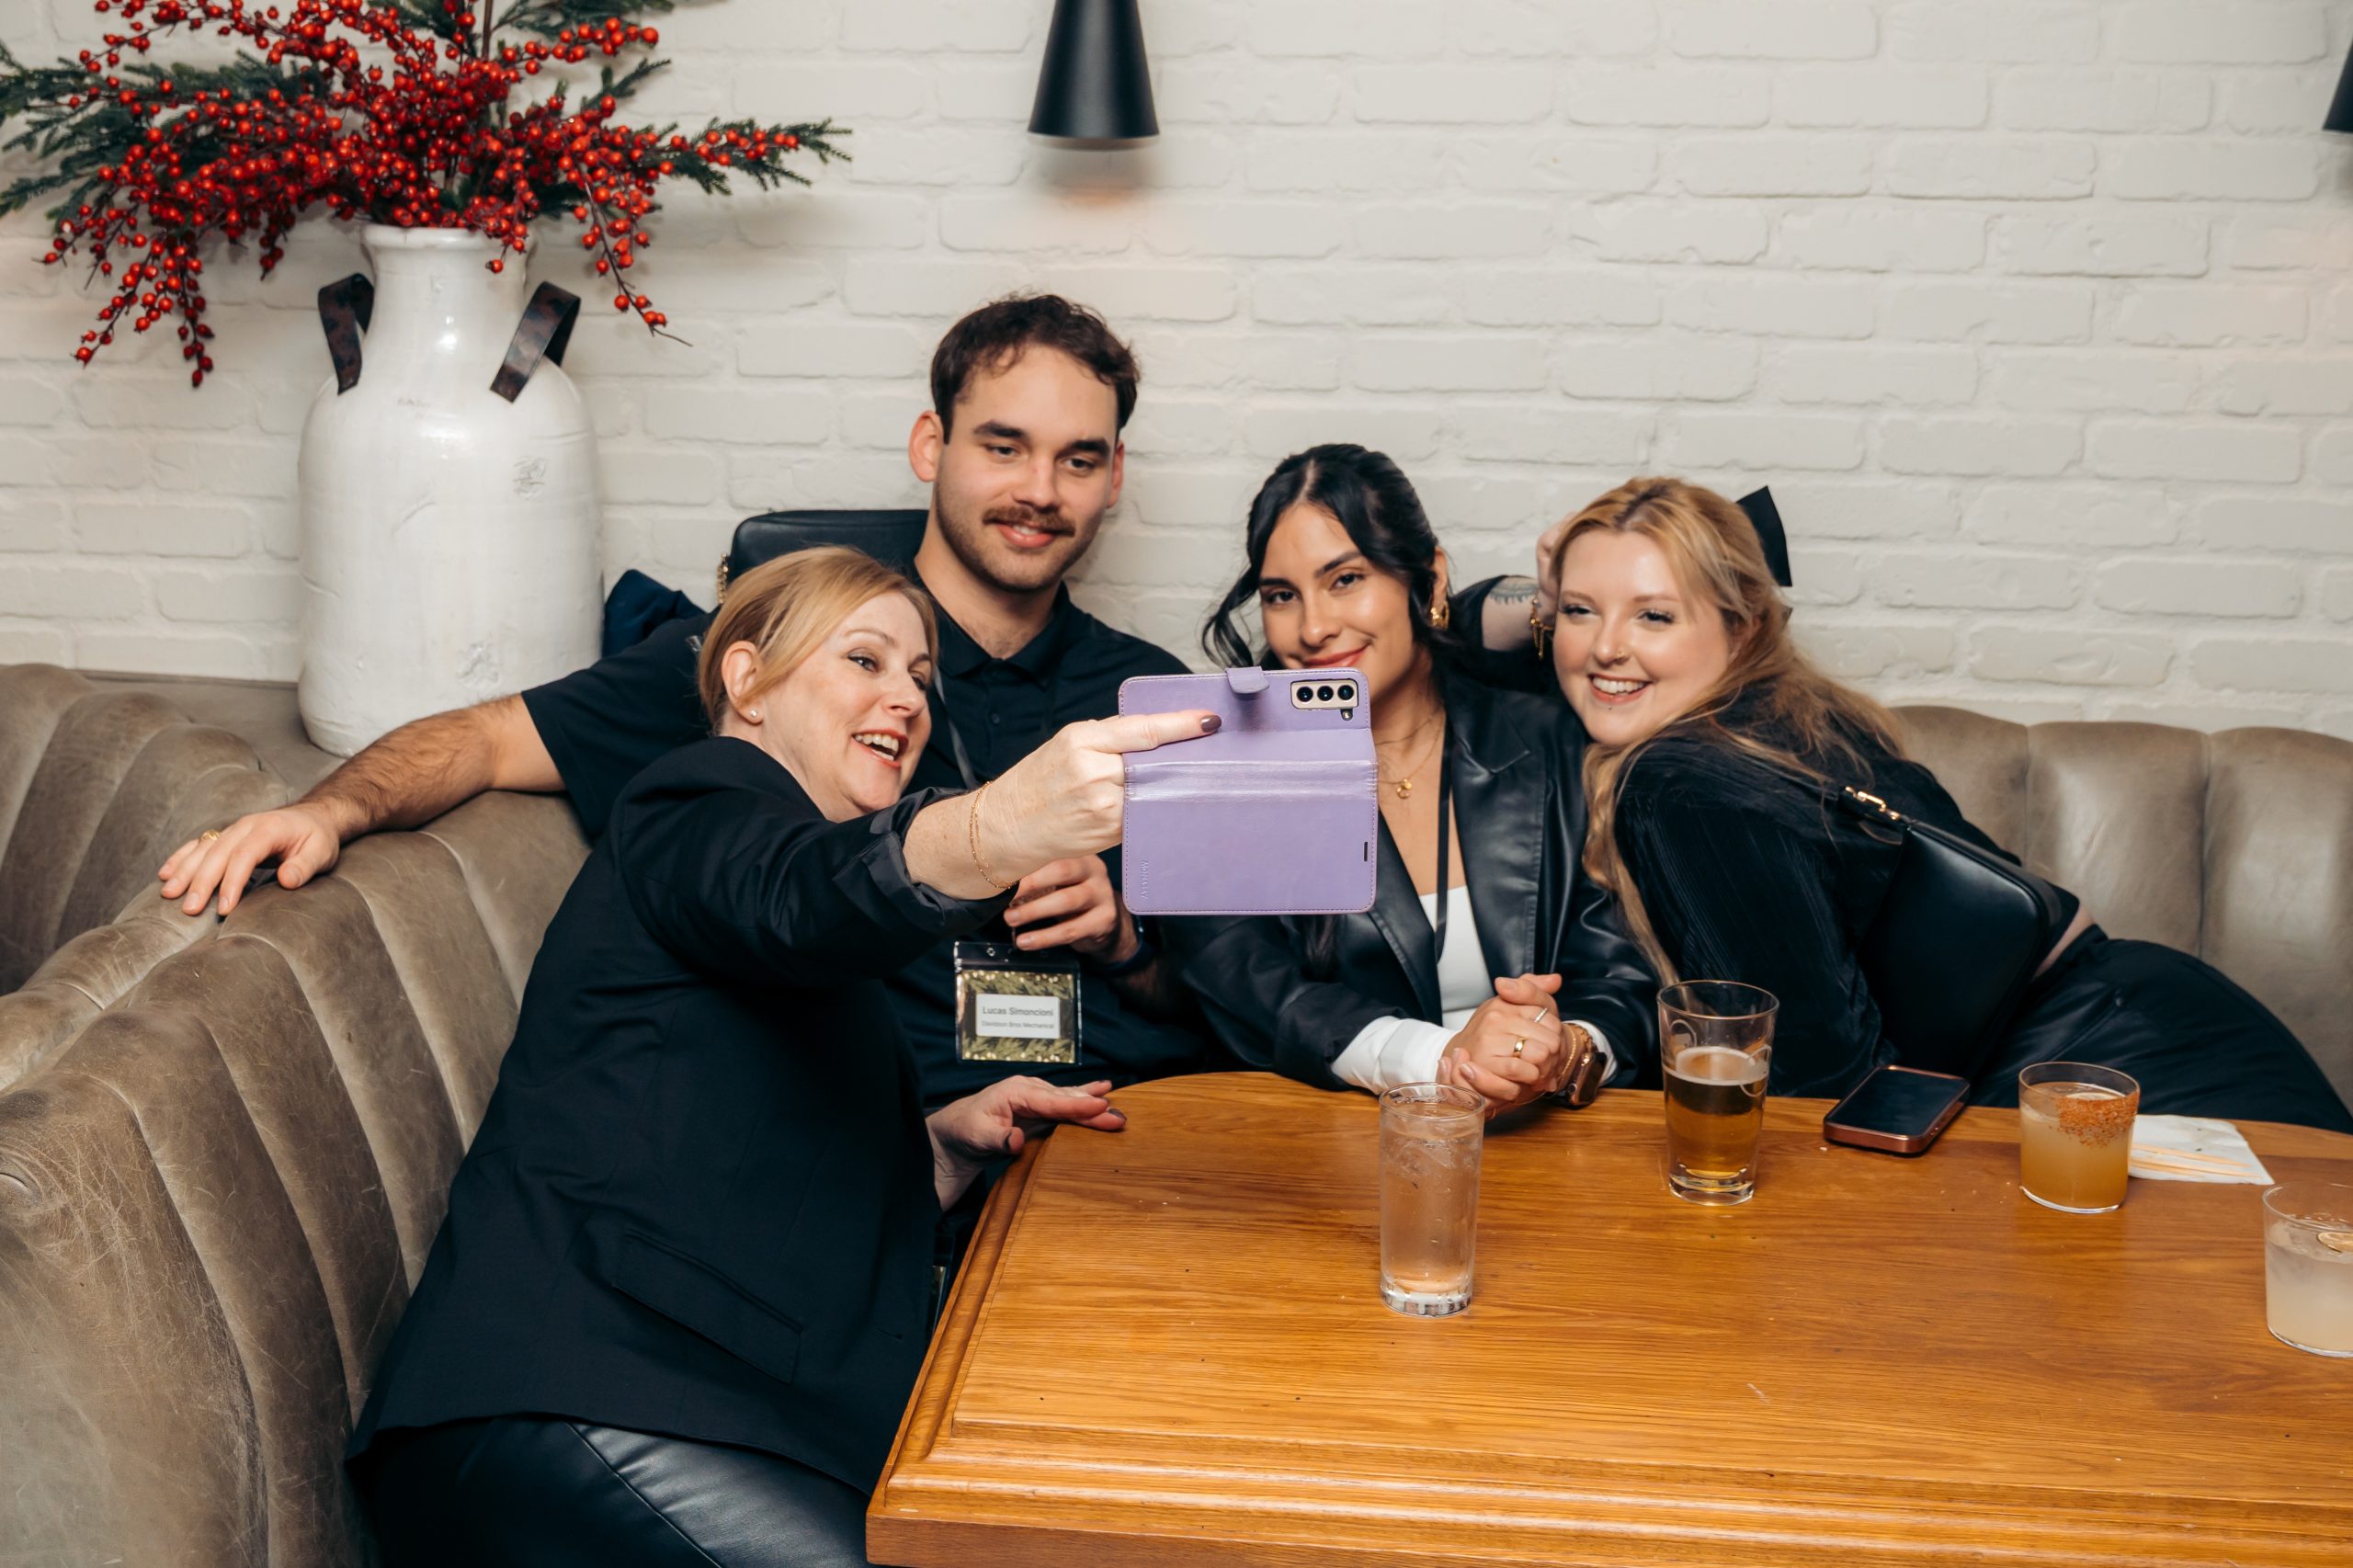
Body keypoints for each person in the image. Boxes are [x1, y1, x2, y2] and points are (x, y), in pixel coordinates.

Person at [348, 548, 1220, 1565]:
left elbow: (744, 1143)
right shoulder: (697, 799)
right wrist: (1003, 822)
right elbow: (800, 892)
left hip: (710, 1412)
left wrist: (935, 1151)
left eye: (921, 675)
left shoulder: (812, 921)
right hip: (573, 1396)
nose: (907, 696)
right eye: (865, 659)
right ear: (748, 681)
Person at [159, 294, 1221, 1107]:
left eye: (1078, 459)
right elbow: (486, 738)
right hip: (888, 1155)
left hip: (1124, 1133)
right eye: (1003, 446)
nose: (1039, 489)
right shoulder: (775, 660)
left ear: (1114, 476)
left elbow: (1218, 998)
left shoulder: (1152, 698)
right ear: (930, 446)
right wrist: (329, 808)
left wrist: (1124, 940)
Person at [1536, 476, 2353, 1131]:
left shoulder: (1680, 783)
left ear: (1742, 629)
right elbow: (1493, 641)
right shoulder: (1782, 716)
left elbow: (1817, 1085)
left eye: (1654, 615)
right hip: (2146, 1020)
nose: (1606, 646)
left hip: (2108, 1073)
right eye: (1578, 610)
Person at [1174, 445, 1656, 1116]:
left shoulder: (1553, 741)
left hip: (1552, 1139)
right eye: (1282, 596)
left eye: (1346, 579)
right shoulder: (1227, 779)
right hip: (1329, 1145)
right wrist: (1438, 1059)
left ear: (1428, 580)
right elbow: (1246, 986)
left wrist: (1563, 1052)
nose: (1313, 628)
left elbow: (1622, 976)